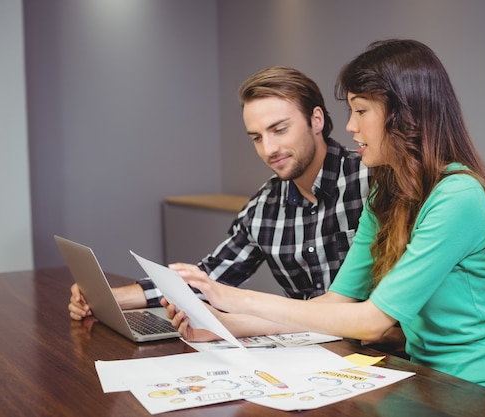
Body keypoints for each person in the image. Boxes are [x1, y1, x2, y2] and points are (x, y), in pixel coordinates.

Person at [164, 39, 485, 405]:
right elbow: (333, 303)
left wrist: (238, 298)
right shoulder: (386, 193)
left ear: (404, 115)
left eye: (361, 111)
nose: (349, 126)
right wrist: (226, 323)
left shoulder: (459, 196)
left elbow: (372, 321)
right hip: (427, 384)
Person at [68, 66, 369, 316]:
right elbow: (209, 277)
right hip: (306, 351)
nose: (269, 149)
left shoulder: (369, 181)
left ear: (316, 120)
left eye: (279, 129)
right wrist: (105, 298)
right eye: (256, 137)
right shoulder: (265, 206)